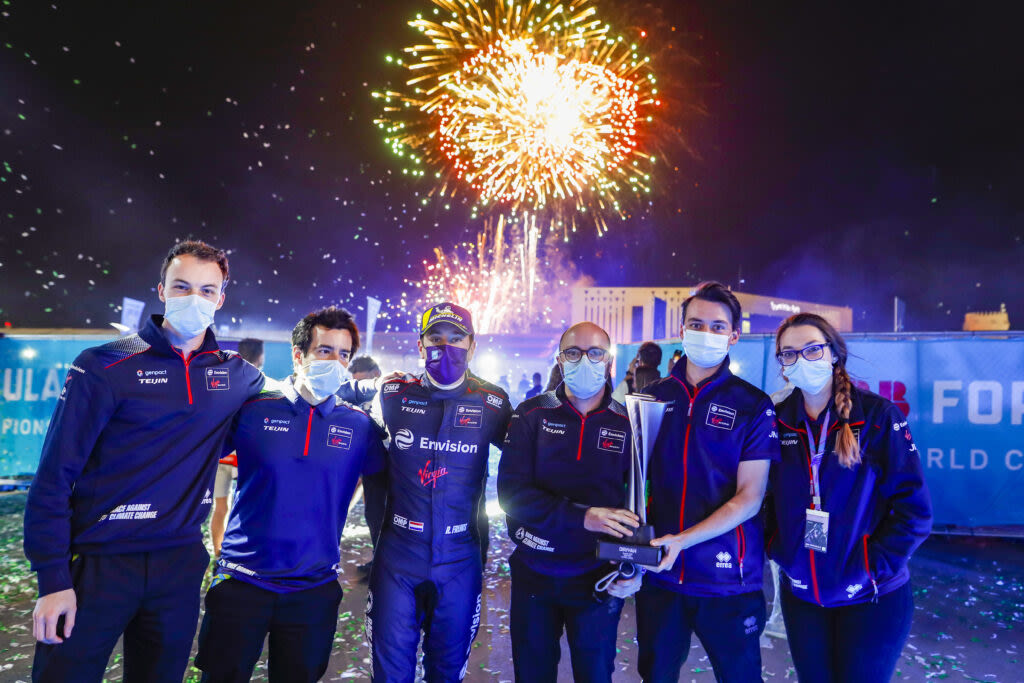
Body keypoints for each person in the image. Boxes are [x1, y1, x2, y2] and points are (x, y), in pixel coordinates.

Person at [24, 240, 265, 682]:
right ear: (162, 289)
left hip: (177, 567)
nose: (194, 298)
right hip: (97, 566)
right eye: (182, 286)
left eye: (207, 290)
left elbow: (291, 405)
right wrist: (53, 580)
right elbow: (54, 476)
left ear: (221, 298)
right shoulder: (105, 364)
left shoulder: (237, 375)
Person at [194, 307, 386, 683]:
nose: (336, 361)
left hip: (313, 592)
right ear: (298, 356)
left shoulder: (360, 427)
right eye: (325, 351)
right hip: (241, 583)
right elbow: (189, 453)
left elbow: (390, 490)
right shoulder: (252, 409)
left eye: (343, 354)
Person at [767, 313, 932, 682]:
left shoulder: (876, 416)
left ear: (834, 354)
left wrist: (870, 569)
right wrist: (781, 550)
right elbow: (763, 500)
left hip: (871, 598)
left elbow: (914, 511)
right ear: (781, 365)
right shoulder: (776, 420)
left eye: (812, 349)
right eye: (788, 354)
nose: (801, 360)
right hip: (803, 597)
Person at [636, 281, 780, 683]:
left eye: (718, 326)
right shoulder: (653, 397)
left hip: (728, 581)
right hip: (661, 574)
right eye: (696, 324)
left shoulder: (753, 405)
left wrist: (683, 540)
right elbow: (634, 483)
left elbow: (750, 498)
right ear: (681, 329)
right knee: (656, 675)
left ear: (734, 335)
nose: (706, 333)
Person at [366, 302, 513, 682]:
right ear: (420, 344)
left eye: (456, 338)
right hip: (399, 555)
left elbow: (528, 460)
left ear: (472, 345)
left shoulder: (493, 402)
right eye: (436, 338)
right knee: (390, 673)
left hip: (460, 558)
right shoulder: (394, 393)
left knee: (447, 674)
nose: (445, 346)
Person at [498, 321, 642, 683]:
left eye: (595, 352)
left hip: (597, 579)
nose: (584, 360)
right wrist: (583, 517)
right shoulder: (532, 413)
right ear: (560, 360)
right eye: (573, 352)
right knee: (532, 675)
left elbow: (639, 507)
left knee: (595, 675)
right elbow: (512, 496)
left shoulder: (628, 423)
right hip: (535, 571)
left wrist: (634, 566)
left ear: (609, 361)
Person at [211, 337, 264, 557]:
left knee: (221, 508)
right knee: (247, 509)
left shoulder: (225, 378)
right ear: (261, 356)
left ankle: (218, 554)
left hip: (220, 457)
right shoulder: (259, 382)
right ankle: (242, 553)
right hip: (243, 458)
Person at [347, 354, 387, 579]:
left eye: (364, 381)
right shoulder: (353, 397)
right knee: (373, 517)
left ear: (376, 375)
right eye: (356, 382)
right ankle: (378, 562)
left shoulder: (392, 397)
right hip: (370, 470)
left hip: (394, 471)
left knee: (390, 520)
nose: (360, 387)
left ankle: (389, 569)